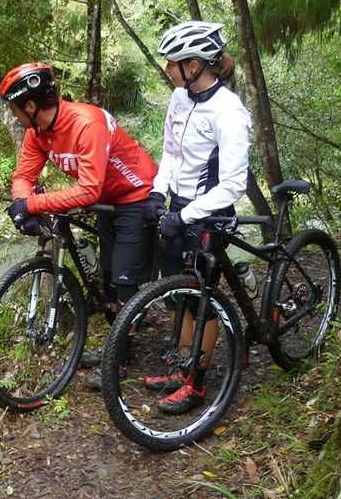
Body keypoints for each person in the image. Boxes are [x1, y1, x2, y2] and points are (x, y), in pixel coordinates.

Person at [0, 63, 159, 388]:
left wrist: (31, 204)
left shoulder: (87, 123)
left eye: (15, 108)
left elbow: (88, 189)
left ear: (29, 106)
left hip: (137, 196)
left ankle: (119, 361)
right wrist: (21, 203)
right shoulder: (38, 133)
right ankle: (117, 346)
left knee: (126, 286)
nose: (15, 115)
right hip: (107, 203)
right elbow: (24, 176)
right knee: (109, 281)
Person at [143, 21, 252, 414]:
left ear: (194, 65)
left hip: (210, 213)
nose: (167, 70)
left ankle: (198, 384)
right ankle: (181, 366)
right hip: (179, 207)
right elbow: (171, 152)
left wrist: (186, 214)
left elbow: (234, 184)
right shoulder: (179, 98)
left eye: (172, 63)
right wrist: (159, 192)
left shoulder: (229, 111)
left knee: (201, 299)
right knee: (177, 293)